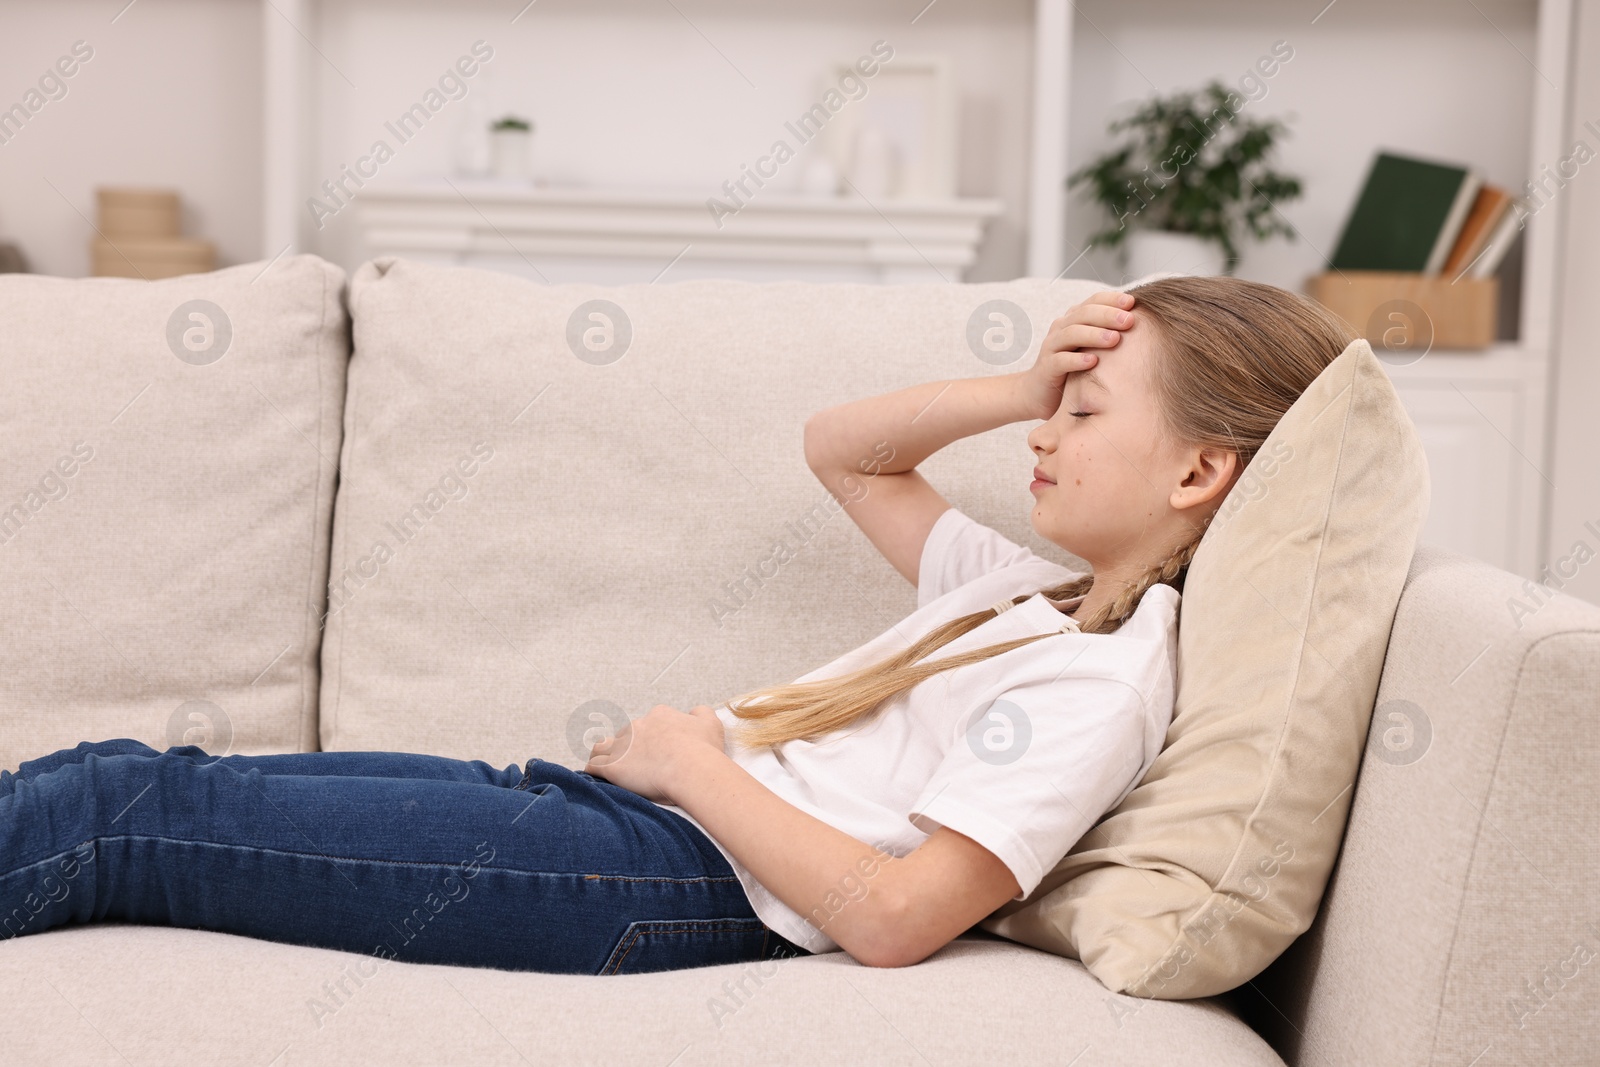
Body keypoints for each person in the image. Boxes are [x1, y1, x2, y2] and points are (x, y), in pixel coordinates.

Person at [0, 276, 1356, 977]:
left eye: (1087, 412)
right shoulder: (1023, 599)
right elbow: (849, 454)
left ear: (1197, 473)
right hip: (624, 825)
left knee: (124, 817)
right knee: (134, 787)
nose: (1049, 437)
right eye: (1055, 408)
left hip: (673, 875)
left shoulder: (1104, 686)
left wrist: (689, 762)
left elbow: (895, 918)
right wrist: (1022, 381)